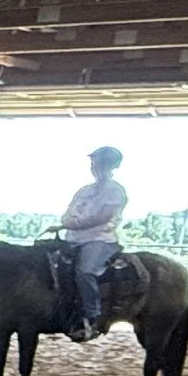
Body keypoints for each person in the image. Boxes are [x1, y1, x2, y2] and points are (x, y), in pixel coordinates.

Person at [60, 144, 128, 342]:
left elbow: (103, 217)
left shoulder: (116, 192)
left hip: (99, 239)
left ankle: (93, 316)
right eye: (93, 163)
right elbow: (69, 211)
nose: (94, 166)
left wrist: (75, 224)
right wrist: (66, 222)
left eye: (97, 163)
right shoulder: (84, 191)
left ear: (110, 166)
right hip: (72, 238)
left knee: (85, 272)